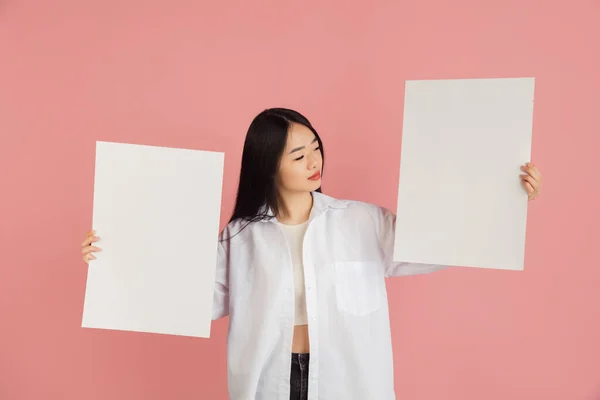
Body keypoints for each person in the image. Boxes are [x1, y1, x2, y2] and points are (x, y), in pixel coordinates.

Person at [80, 108, 543, 400]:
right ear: (269, 164)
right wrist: (110, 263)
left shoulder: (361, 220)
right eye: (298, 155)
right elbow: (197, 300)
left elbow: (436, 244)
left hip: (349, 378)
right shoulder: (240, 236)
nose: (314, 161)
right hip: (269, 381)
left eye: (315, 148)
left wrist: (505, 199)